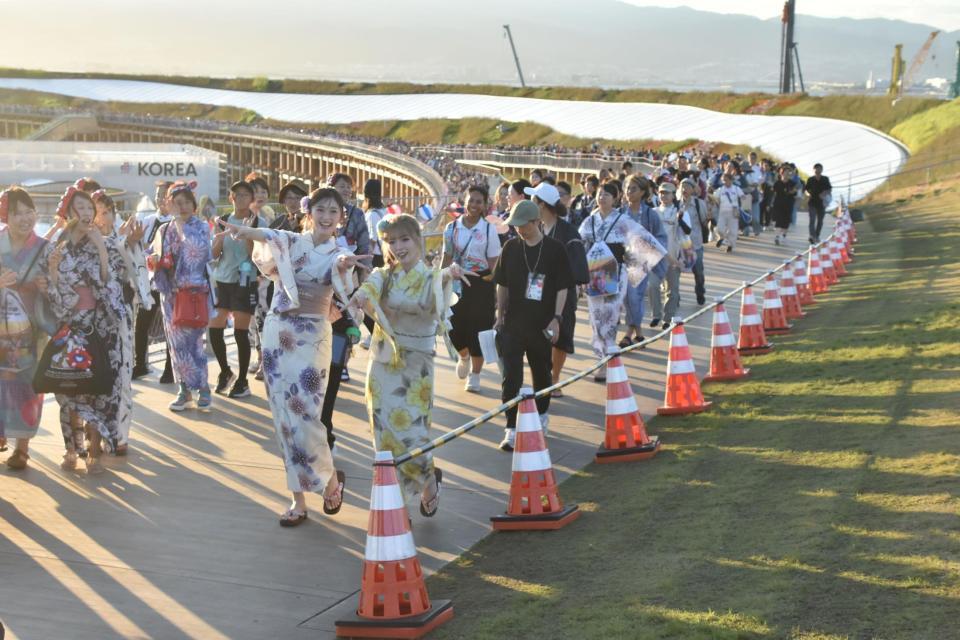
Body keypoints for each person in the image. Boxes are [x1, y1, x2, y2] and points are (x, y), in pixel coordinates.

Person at [226, 187, 361, 526]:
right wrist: (243, 230)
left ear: (341, 218)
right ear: (309, 212)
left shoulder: (338, 252)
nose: (327, 217)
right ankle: (297, 499)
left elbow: (343, 280)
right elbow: (264, 235)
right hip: (277, 332)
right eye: (321, 210)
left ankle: (329, 478)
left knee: (308, 416)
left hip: (313, 335)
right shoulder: (291, 240)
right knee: (284, 418)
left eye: (334, 211)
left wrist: (343, 266)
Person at [349, 214, 472, 515]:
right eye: (391, 241)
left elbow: (438, 284)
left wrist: (449, 273)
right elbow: (369, 288)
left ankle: (428, 480)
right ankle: (396, 503)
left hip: (416, 366)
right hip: (382, 362)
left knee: (413, 433)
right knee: (384, 432)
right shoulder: (383, 274)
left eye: (404, 239)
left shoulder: (430, 276)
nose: (398, 246)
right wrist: (359, 296)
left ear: (418, 240)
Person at [46, 186, 133, 473]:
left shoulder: (105, 242)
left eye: (88, 208)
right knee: (69, 389)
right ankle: (72, 448)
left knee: (98, 389)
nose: (85, 213)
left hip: (100, 326)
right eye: (79, 208)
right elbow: (54, 288)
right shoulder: (59, 242)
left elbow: (113, 286)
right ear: (70, 212)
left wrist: (101, 250)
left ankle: (94, 447)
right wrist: (56, 272)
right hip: (70, 324)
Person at [494, 200, 572, 450]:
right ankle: (511, 427)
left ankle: (541, 416)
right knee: (511, 376)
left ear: (535, 222)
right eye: (514, 225)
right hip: (513, 322)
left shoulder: (554, 249)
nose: (517, 229)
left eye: (521, 225)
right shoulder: (510, 248)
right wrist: (499, 313)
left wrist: (557, 318)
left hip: (542, 323)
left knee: (542, 372)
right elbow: (502, 283)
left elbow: (563, 287)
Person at [580, 183, 666, 379]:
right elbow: (579, 245)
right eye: (600, 194)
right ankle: (602, 356)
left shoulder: (623, 220)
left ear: (616, 197)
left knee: (610, 315)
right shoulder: (589, 221)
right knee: (595, 317)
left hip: (616, 272)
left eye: (607, 194)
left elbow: (645, 241)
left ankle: (606, 360)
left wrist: (636, 269)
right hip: (594, 272)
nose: (602, 197)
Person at [0, 187, 54, 470]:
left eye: (29, 211)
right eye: (16, 213)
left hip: (32, 331)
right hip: (0, 329)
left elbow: (61, 287)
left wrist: (48, 287)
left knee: (28, 387)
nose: (25, 218)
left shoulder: (45, 247)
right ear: (5, 216)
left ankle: (22, 448)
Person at [149, 182, 214, 412]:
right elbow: (153, 254)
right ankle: (184, 389)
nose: (183, 206)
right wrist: (156, 261)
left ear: (194, 204)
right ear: (169, 204)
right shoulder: (163, 229)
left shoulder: (202, 226)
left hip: (194, 291)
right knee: (176, 345)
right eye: (177, 202)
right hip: (172, 295)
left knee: (195, 342)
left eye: (187, 202)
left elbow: (196, 251)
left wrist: (179, 224)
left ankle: (203, 387)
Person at [527, 182, 588, 397]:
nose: (531, 204)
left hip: (562, 294)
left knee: (560, 338)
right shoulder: (537, 228)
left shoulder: (569, 232)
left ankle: (554, 379)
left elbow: (579, 270)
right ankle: (543, 376)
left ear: (542, 205)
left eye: (534, 201)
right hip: (538, 292)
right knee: (537, 336)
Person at [209, 180, 266, 398]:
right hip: (222, 279)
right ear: (231, 197)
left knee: (240, 332)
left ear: (251, 199)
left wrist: (248, 233)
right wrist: (219, 238)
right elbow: (214, 254)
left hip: (245, 280)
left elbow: (257, 256)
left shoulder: (258, 222)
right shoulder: (223, 220)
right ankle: (225, 371)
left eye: (245, 195)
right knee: (214, 329)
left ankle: (242, 381)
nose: (241, 198)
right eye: (237, 195)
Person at [442, 185, 500, 392]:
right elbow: (446, 258)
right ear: (464, 201)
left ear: (485, 205)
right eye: (471, 200)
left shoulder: (488, 229)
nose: (474, 205)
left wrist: (497, 291)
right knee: (454, 328)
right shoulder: (451, 229)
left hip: (480, 284)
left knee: (480, 329)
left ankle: (475, 374)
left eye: (479, 201)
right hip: (456, 283)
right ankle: (463, 356)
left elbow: (494, 262)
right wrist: (441, 283)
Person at [329, 172, 371, 382]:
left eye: (349, 186)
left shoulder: (357, 214)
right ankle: (330, 362)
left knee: (347, 320)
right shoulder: (325, 211)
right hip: (327, 277)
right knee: (329, 321)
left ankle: (342, 363)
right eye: (342, 186)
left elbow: (364, 242)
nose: (346, 190)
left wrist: (365, 271)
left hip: (351, 276)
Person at [133, 180, 172, 382]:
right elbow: (138, 247)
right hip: (148, 280)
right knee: (141, 323)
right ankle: (141, 363)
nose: (160, 199)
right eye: (158, 195)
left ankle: (170, 367)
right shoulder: (147, 220)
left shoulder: (177, 222)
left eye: (164, 195)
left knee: (169, 325)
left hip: (170, 281)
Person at [620, 175, 667, 344]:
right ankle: (638, 332)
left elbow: (661, 238)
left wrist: (648, 252)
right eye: (627, 188)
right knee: (626, 297)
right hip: (623, 260)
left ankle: (628, 332)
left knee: (635, 296)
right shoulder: (619, 213)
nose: (629, 192)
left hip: (642, 260)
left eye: (633, 189)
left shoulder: (650, 215)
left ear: (642, 192)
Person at [650, 182, 692, 324]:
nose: (664, 195)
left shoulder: (680, 212)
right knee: (653, 285)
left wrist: (680, 219)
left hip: (674, 256)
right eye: (661, 192)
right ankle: (656, 315)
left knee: (672, 291)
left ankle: (668, 318)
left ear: (673, 195)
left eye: (667, 193)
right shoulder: (654, 212)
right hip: (656, 258)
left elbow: (688, 231)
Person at [361, 178, 388, 346]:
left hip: (375, 259)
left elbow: (371, 240)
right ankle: (380, 334)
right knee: (380, 300)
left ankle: (375, 335)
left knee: (367, 301)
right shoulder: (384, 211)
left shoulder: (370, 214)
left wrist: (365, 263)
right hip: (386, 257)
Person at [678, 178, 709, 305]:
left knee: (698, 272)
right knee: (676, 273)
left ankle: (700, 292)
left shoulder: (699, 203)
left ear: (693, 189)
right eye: (682, 186)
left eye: (687, 186)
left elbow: (704, 220)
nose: (684, 189)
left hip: (695, 243)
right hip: (680, 244)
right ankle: (675, 297)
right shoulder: (675, 204)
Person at [712, 172, 744, 253]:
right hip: (723, 211)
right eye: (723, 180)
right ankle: (722, 238)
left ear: (731, 180)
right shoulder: (721, 189)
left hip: (734, 212)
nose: (724, 182)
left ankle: (730, 245)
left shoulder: (736, 189)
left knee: (733, 230)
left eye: (726, 180)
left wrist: (745, 202)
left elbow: (743, 197)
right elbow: (714, 197)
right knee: (720, 228)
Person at [804, 163, 832, 244]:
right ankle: (812, 236)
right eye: (816, 169)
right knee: (812, 220)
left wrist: (824, 194)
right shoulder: (810, 179)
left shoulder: (825, 179)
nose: (817, 170)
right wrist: (808, 194)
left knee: (820, 220)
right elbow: (806, 190)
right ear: (813, 170)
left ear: (822, 170)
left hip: (822, 203)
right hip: (812, 202)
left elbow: (829, 189)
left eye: (819, 169)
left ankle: (817, 235)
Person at [771, 164, 799, 245]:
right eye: (785, 173)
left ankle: (783, 236)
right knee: (778, 221)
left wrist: (793, 192)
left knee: (786, 221)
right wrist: (770, 204)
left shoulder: (792, 183)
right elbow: (773, 193)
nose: (787, 174)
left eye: (788, 173)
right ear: (781, 173)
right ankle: (777, 236)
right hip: (778, 204)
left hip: (788, 204)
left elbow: (795, 193)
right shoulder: (777, 183)